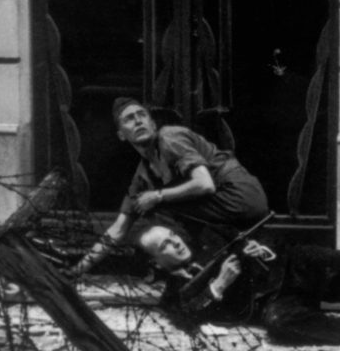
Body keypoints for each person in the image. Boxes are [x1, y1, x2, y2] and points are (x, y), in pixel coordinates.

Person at [136, 221, 340, 348]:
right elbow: (186, 317)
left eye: (172, 236)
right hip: (270, 302)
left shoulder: (210, 235)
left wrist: (261, 247)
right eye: (163, 246)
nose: (175, 243)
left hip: (291, 265)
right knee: (280, 325)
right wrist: (218, 287)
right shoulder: (172, 294)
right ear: (155, 261)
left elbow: (263, 230)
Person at [80, 97, 270, 270]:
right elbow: (118, 229)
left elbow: (205, 184)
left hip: (241, 196)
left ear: (153, 124)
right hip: (227, 209)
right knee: (144, 203)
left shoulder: (170, 137)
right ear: (121, 135)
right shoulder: (143, 174)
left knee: (159, 205)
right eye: (129, 119)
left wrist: (158, 196)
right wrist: (79, 269)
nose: (138, 121)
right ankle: (205, 264)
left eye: (142, 115)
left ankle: (195, 263)